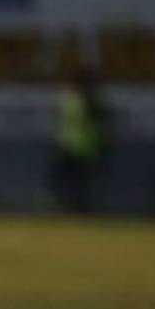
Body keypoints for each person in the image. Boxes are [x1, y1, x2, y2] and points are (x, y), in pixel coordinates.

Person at [49, 69, 108, 214]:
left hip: (69, 145)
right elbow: (96, 118)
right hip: (82, 147)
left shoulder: (69, 98)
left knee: (71, 181)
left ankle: (70, 207)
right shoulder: (87, 99)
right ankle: (76, 208)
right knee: (79, 182)